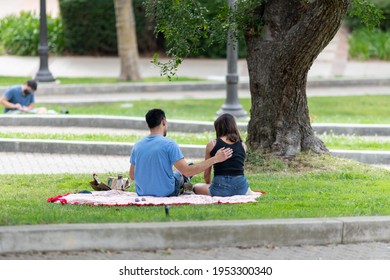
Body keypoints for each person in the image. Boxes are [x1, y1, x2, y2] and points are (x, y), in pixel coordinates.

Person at [129, 108, 233, 197]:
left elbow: (132, 175)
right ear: (163, 121)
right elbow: (187, 171)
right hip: (167, 192)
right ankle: (185, 182)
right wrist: (215, 159)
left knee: (176, 172)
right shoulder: (169, 144)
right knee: (182, 173)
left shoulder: (137, 145)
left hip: (142, 193)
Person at [193, 113, 250, 197]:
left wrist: (208, 185)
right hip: (241, 188)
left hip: (219, 189)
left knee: (195, 187)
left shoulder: (212, 144)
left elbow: (207, 175)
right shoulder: (243, 145)